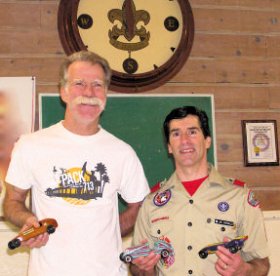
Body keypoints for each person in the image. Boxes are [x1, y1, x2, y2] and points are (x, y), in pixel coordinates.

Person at [3, 50, 150, 276]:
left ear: (106, 94)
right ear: (63, 91)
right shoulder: (30, 145)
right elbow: (12, 201)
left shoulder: (122, 153)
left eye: (98, 85)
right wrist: (29, 220)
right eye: (79, 83)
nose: (89, 92)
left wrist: (108, 232)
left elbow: (139, 206)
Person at [130, 106, 270, 275]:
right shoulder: (151, 203)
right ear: (169, 146)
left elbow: (262, 265)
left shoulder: (239, 197)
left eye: (192, 132)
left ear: (207, 140)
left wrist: (243, 270)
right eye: (176, 134)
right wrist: (144, 268)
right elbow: (137, 269)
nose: (184, 140)